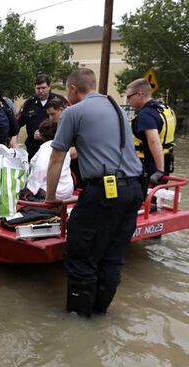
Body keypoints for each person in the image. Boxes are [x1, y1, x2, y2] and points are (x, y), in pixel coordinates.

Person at [45, 68, 144, 317]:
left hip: (104, 192)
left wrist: (49, 198)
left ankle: (79, 320)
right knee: (112, 257)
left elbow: (57, 159)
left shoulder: (73, 113)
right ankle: (100, 313)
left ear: (72, 90)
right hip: (134, 189)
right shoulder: (118, 109)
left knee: (81, 255)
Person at [126, 78, 177, 188]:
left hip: (149, 167)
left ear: (139, 94)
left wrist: (159, 171)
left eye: (129, 97)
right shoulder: (165, 109)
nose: (128, 101)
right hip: (166, 161)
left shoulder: (146, 115)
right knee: (157, 199)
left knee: (146, 200)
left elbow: (154, 142)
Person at [17, 74, 68, 159]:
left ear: (49, 87)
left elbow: (68, 123)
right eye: (38, 88)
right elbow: (17, 123)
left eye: (43, 88)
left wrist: (45, 135)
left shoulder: (60, 101)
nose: (40, 91)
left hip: (54, 147)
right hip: (33, 149)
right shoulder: (29, 103)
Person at [25, 120, 74, 201]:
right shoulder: (64, 147)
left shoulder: (45, 148)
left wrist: (31, 188)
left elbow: (40, 169)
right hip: (67, 189)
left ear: (41, 135)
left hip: (51, 191)